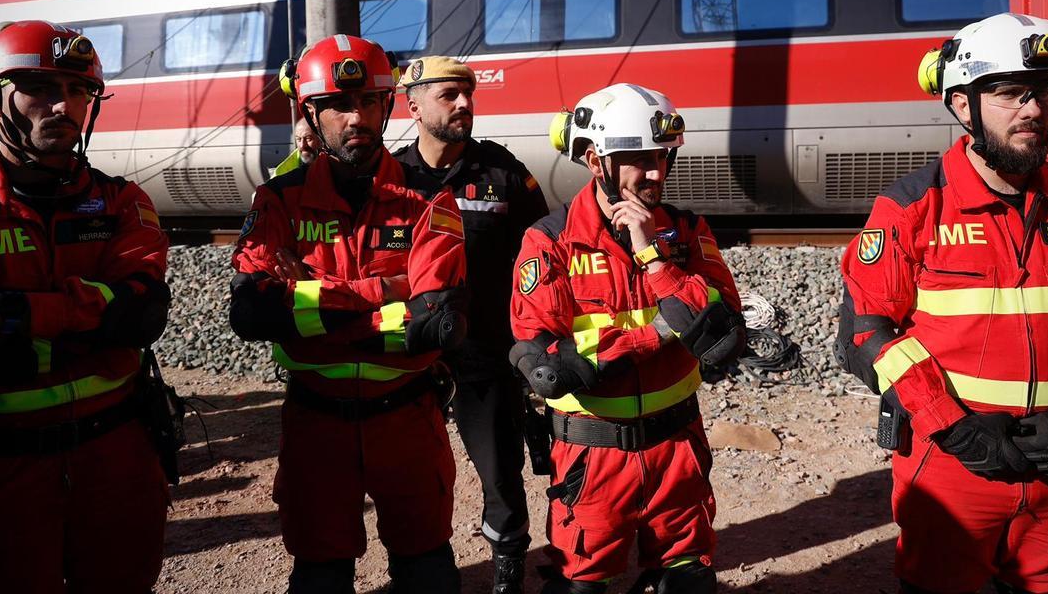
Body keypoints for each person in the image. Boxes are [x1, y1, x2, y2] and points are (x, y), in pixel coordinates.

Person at [838, 12, 1048, 593]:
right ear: (963, 105)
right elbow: (869, 331)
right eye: (1010, 93)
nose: (1033, 109)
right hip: (954, 465)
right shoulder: (911, 210)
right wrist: (952, 428)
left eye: (1044, 90)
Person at [229, 34, 469, 594]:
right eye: (338, 104)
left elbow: (433, 323)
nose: (355, 116)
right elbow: (251, 312)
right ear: (311, 112)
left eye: (366, 102)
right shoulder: (278, 200)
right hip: (317, 427)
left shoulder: (430, 197)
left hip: (408, 421)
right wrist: (390, 289)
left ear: (386, 105)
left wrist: (310, 294)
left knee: (426, 568)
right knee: (320, 574)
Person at [0, 21, 172, 592]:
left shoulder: (124, 200)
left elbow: (141, 313)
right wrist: (90, 315)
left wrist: (11, 314)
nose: (62, 104)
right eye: (40, 87)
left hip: (117, 458)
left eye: (77, 90)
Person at [509, 83, 746, 594]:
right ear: (596, 161)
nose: (657, 172)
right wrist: (659, 332)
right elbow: (548, 365)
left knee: (688, 581)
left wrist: (651, 257)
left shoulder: (683, 231)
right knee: (582, 584)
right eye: (639, 160)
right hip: (593, 459)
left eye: (662, 157)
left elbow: (724, 335)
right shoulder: (549, 241)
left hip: (679, 450)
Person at [393, 56, 550, 594]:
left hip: (488, 357)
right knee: (410, 477)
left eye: (468, 94)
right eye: (448, 95)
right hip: (413, 361)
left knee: (502, 476)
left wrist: (535, 347)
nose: (464, 104)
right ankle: (419, 572)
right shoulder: (390, 177)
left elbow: (542, 257)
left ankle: (508, 569)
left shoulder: (501, 171)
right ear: (412, 105)